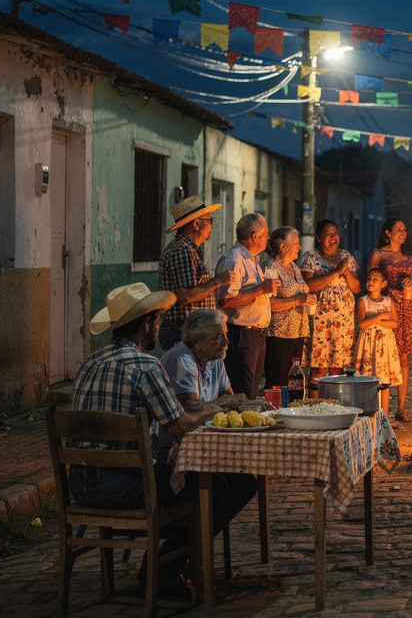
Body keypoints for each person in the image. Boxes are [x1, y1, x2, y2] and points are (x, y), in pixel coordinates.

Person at [68, 284, 254, 591]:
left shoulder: (89, 362)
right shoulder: (146, 366)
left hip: (79, 484)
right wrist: (214, 409)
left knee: (199, 481)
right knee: (220, 485)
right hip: (124, 486)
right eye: (157, 320)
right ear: (147, 324)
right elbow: (179, 425)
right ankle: (167, 567)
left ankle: (175, 561)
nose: (159, 326)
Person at [156, 196, 233, 351]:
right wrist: (218, 281)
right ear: (197, 224)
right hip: (183, 331)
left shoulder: (189, 250)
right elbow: (187, 296)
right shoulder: (183, 251)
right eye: (209, 220)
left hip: (187, 329)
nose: (212, 225)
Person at [216, 213, 280, 399]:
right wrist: (260, 289)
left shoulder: (253, 260)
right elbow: (226, 300)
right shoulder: (233, 260)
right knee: (242, 393)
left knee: (250, 392)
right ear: (255, 236)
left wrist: (264, 290)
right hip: (241, 335)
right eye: (266, 234)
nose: (268, 237)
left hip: (256, 334)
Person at [369, 217, 412, 422]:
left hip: (408, 307)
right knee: (382, 356)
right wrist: (388, 288)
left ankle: (401, 408)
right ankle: (379, 407)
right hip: (385, 306)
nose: (403, 233)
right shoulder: (378, 254)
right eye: (398, 229)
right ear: (388, 232)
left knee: (403, 357)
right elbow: (371, 280)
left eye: (405, 229)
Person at [298, 219, 362, 377]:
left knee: (338, 366)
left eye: (335, 233)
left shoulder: (346, 256)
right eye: (328, 234)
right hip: (321, 319)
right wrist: (336, 272)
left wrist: (346, 273)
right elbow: (308, 286)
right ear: (319, 238)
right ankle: (315, 394)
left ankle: (335, 394)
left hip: (344, 320)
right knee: (319, 366)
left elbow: (357, 288)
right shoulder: (310, 257)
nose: (333, 237)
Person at [261, 227, 318, 391]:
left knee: (292, 379)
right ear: (283, 247)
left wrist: (306, 299)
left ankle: (289, 405)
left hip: (297, 331)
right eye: (296, 243)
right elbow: (268, 303)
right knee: (277, 380)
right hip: (279, 332)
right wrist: (298, 300)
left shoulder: (294, 266)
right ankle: (274, 405)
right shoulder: (270, 268)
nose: (300, 247)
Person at [354, 267, 402, 423]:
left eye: (375, 279)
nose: (371, 282)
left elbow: (394, 323)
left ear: (383, 284)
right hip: (369, 343)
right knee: (368, 379)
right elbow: (362, 323)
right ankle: (368, 415)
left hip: (384, 343)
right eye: (369, 278)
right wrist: (380, 316)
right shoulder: (363, 301)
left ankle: (385, 416)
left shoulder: (388, 301)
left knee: (384, 381)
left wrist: (375, 320)